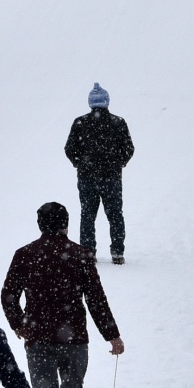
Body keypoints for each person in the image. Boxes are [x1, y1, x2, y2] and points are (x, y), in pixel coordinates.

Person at [0, 203, 125, 388]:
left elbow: (8, 295)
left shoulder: (25, 255)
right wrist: (112, 334)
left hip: (39, 338)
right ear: (66, 224)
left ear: (40, 225)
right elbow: (96, 299)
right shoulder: (79, 255)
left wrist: (20, 324)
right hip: (74, 339)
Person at [64, 82, 134, 262]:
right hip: (111, 177)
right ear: (107, 102)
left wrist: (80, 163)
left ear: (90, 103)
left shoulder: (80, 123)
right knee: (115, 215)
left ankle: (88, 252)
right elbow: (129, 148)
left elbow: (69, 149)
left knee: (87, 215)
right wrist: (118, 163)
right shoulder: (118, 122)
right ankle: (117, 252)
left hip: (87, 178)